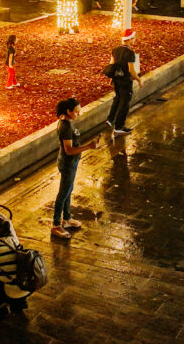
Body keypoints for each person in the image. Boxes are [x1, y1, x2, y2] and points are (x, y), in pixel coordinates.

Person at [51, 97, 99, 239]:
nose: (79, 114)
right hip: (68, 163)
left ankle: (66, 218)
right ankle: (56, 224)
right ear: (68, 111)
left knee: (68, 190)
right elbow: (69, 150)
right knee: (63, 193)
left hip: (71, 162)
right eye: (76, 111)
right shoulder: (65, 127)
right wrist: (88, 147)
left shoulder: (67, 124)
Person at [107, 29, 140, 134]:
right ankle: (119, 126)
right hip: (125, 81)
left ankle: (110, 119)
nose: (134, 40)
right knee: (124, 102)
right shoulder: (130, 53)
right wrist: (139, 79)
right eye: (133, 38)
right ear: (130, 39)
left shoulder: (115, 49)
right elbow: (131, 70)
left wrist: (111, 78)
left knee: (117, 97)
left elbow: (111, 65)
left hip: (116, 79)